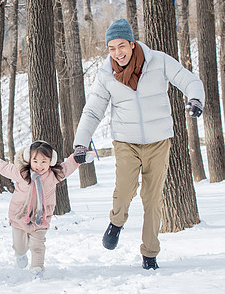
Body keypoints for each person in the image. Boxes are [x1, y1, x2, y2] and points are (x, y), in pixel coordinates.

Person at [72, 19, 205, 270]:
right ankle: (116, 222)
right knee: (124, 191)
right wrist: (80, 143)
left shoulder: (159, 61)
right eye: (111, 48)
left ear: (132, 44)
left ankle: (150, 253)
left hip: (158, 141)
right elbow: (92, 111)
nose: (117, 53)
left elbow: (190, 81)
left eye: (121, 46)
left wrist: (196, 99)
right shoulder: (106, 74)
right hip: (126, 142)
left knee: (152, 199)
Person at [0, 140, 82, 279]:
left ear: (51, 162)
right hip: (20, 216)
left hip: (40, 218)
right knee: (20, 246)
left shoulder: (54, 175)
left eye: (44, 161)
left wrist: (77, 158)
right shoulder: (21, 174)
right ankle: (20, 253)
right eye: (35, 161)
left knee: (37, 245)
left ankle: (37, 269)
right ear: (29, 160)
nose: (39, 166)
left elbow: (69, 165)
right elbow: (4, 167)